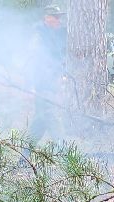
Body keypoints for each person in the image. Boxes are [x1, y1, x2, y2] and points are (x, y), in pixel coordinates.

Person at [29, 5, 68, 141]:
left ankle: (25, 152)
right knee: (51, 116)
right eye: (55, 17)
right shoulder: (39, 35)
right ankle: (65, 152)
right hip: (43, 84)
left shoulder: (54, 34)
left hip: (50, 83)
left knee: (40, 121)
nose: (58, 20)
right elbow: (36, 59)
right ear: (46, 18)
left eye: (59, 17)